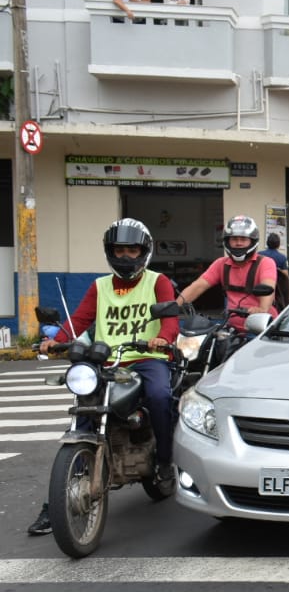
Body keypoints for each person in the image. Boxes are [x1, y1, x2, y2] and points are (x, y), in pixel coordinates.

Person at [28, 218, 179, 535]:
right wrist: (57, 339)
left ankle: (165, 461)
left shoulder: (157, 281)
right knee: (84, 412)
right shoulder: (100, 286)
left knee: (160, 396)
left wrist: (163, 338)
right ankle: (57, 502)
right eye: (119, 250)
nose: (125, 256)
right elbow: (80, 319)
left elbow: (170, 320)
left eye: (131, 249)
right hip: (108, 361)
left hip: (145, 358)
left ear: (144, 251)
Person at [176, 215, 277, 333]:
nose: (238, 243)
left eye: (243, 239)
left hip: (262, 329)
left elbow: (268, 288)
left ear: (252, 241)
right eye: (234, 239)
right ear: (227, 241)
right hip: (231, 328)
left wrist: (261, 308)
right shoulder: (221, 264)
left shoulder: (265, 263)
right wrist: (175, 306)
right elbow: (198, 286)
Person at [261, 233, 289, 308]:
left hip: (261, 285)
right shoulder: (282, 257)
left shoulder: (259, 255)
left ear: (267, 243)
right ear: (278, 244)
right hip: (277, 288)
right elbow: (285, 275)